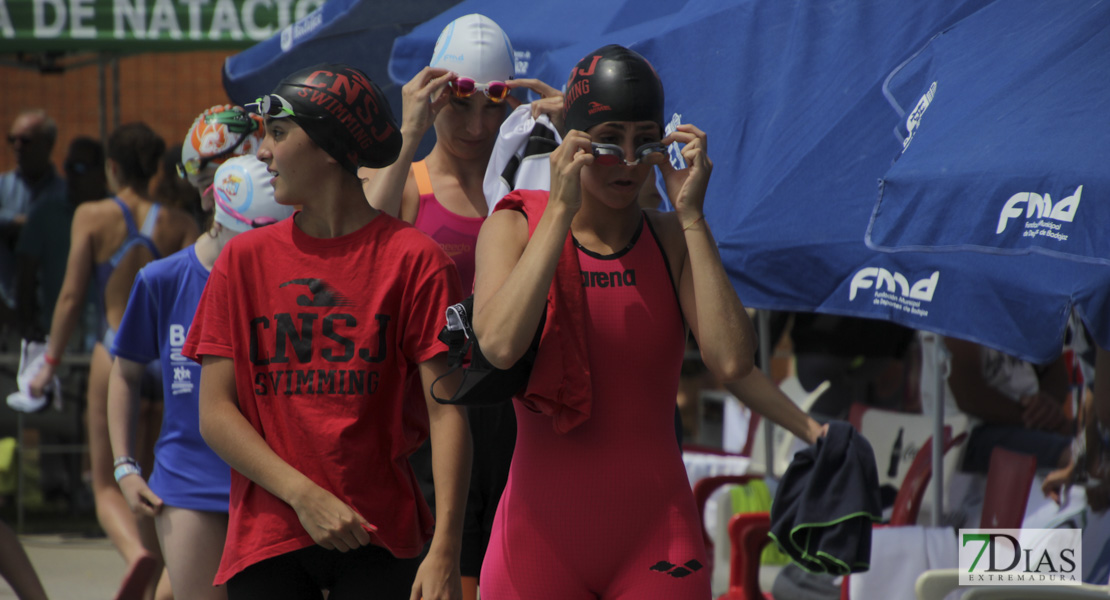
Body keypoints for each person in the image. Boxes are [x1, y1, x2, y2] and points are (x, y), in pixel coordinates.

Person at [472, 45, 756, 599]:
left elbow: (732, 360)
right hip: (538, 544)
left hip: (657, 539)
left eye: (643, 140)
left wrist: (693, 217)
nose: (627, 160)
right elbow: (500, 346)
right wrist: (558, 210)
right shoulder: (514, 228)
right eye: (607, 142)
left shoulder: (672, 239)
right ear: (573, 143)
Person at [184, 63, 472, 600]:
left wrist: (446, 551)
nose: (261, 153)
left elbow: (448, 411)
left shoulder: (416, 261)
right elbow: (215, 414)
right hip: (268, 540)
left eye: (277, 133)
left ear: (330, 145)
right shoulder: (242, 261)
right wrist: (304, 496)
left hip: (383, 540)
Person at [360, 15, 562, 597]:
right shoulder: (402, 184)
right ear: (432, 94)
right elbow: (353, 254)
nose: (477, 125)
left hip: (519, 419)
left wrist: (572, 138)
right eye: (459, 104)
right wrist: (407, 131)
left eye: (494, 105)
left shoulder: (533, 190)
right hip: (426, 421)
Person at [108, 155, 294, 600]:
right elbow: (125, 373)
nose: (266, 251)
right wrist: (125, 467)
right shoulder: (162, 279)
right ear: (220, 219)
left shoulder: (288, 281)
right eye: (258, 237)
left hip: (275, 478)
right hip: (189, 480)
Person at [28, 122, 200, 600]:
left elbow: (69, 296)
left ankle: (137, 555)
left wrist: (49, 361)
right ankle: (160, 578)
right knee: (154, 478)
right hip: (167, 361)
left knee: (109, 481)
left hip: (117, 349)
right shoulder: (180, 223)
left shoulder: (93, 215)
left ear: (112, 166)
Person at [15, 136, 106, 341]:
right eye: (69, 167)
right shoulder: (45, 213)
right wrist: (29, 327)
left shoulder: (119, 213)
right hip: (59, 338)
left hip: (109, 337)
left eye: (81, 168)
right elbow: (25, 278)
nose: (73, 175)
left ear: (102, 172)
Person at [0, 109, 66, 312]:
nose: (17, 147)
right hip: (5, 307)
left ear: (48, 144)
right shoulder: (2, 186)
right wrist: (13, 222)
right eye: (13, 139)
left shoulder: (64, 193)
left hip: (50, 309)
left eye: (26, 140)